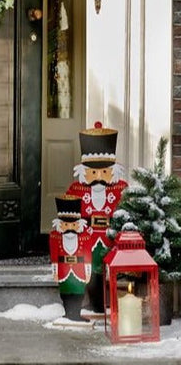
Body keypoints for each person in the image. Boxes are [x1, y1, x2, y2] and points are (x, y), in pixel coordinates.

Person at [66, 121, 128, 313]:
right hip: (89, 237)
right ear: (85, 172)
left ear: (113, 171)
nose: (99, 176)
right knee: (91, 268)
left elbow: (126, 212)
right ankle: (95, 303)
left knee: (111, 265)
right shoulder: (76, 190)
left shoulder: (121, 189)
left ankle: (116, 300)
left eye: (104, 172)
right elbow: (69, 215)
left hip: (111, 236)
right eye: (93, 172)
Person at [49, 194, 92, 321]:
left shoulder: (85, 238)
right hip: (63, 269)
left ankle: (76, 314)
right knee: (66, 292)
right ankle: (68, 313)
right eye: (66, 225)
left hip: (79, 270)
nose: (69, 229)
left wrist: (87, 271)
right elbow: (54, 256)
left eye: (73, 226)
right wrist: (55, 271)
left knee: (79, 292)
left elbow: (88, 255)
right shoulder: (55, 237)